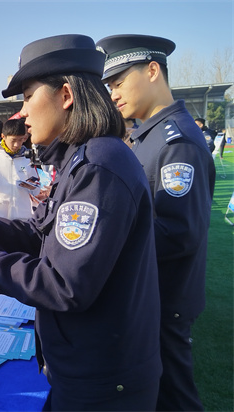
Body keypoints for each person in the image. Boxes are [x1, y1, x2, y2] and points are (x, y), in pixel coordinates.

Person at [0, 34, 161, 411]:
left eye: (28, 96)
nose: (22, 113)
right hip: (84, 366)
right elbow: (42, 231)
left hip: (102, 380)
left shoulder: (98, 165)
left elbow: (65, 284)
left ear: (65, 95)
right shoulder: (81, 158)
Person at [97, 34, 216, 411]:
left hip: (164, 297)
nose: (112, 94)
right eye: (109, 85)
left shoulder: (176, 143)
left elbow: (179, 233)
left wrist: (108, 240)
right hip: (147, 292)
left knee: (173, 398)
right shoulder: (146, 134)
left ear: (152, 71)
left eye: (118, 82)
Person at [0, 118, 40, 220]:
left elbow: (37, 189)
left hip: (23, 216)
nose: (17, 144)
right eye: (13, 140)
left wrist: (32, 187)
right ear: (3, 136)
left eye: (20, 140)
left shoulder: (28, 157)